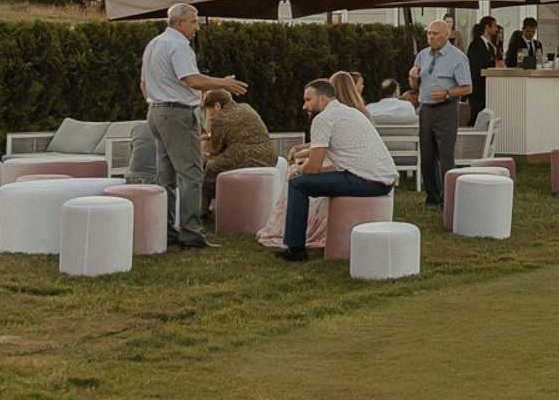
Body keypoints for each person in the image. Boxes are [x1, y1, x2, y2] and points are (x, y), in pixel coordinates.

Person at [139, 3, 249, 249]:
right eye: (193, 22)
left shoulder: (154, 44)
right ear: (178, 23)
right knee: (191, 174)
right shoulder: (178, 45)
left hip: (156, 112)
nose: (197, 28)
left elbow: (144, 84)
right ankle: (191, 233)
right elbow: (191, 79)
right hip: (177, 114)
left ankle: (166, 231)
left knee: (165, 176)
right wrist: (223, 84)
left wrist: (156, 103)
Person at [276, 76, 399, 264]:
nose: (304, 106)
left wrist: (298, 171)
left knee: (297, 185)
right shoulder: (348, 112)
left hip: (365, 181)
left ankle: (296, 249)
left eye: (308, 100)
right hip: (382, 180)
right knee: (306, 180)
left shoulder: (323, 119)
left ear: (323, 99)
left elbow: (314, 167)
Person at [409, 17, 474, 197]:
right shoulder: (422, 55)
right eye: (429, 33)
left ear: (446, 36)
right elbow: (415, 88)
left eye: (435, 34)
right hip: (426, 109)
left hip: (446, 108)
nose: (431, 37)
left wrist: (447, 93)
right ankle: (432, 196)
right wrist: (413, 78)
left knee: (445, 155)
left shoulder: (457, 57)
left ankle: (449, 196)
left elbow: (468, 87)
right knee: (427, 155)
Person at [199, 88, 274, 217]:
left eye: (209, 110)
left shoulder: (220, 119)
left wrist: (205, 153)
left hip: (243, 157)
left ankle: (203, 210)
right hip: (269, 155)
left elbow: (216, 150)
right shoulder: (246, 107)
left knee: (211, 167)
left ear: (217, 105)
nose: (209, 114)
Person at [464, 16, 499, 126]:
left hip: (484, 86)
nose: (496, 29)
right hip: (477, 86)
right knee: (476, 114)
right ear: (487, 27)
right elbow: (476, 64)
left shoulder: (489, 44)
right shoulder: (476, 44)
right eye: (494, 26)